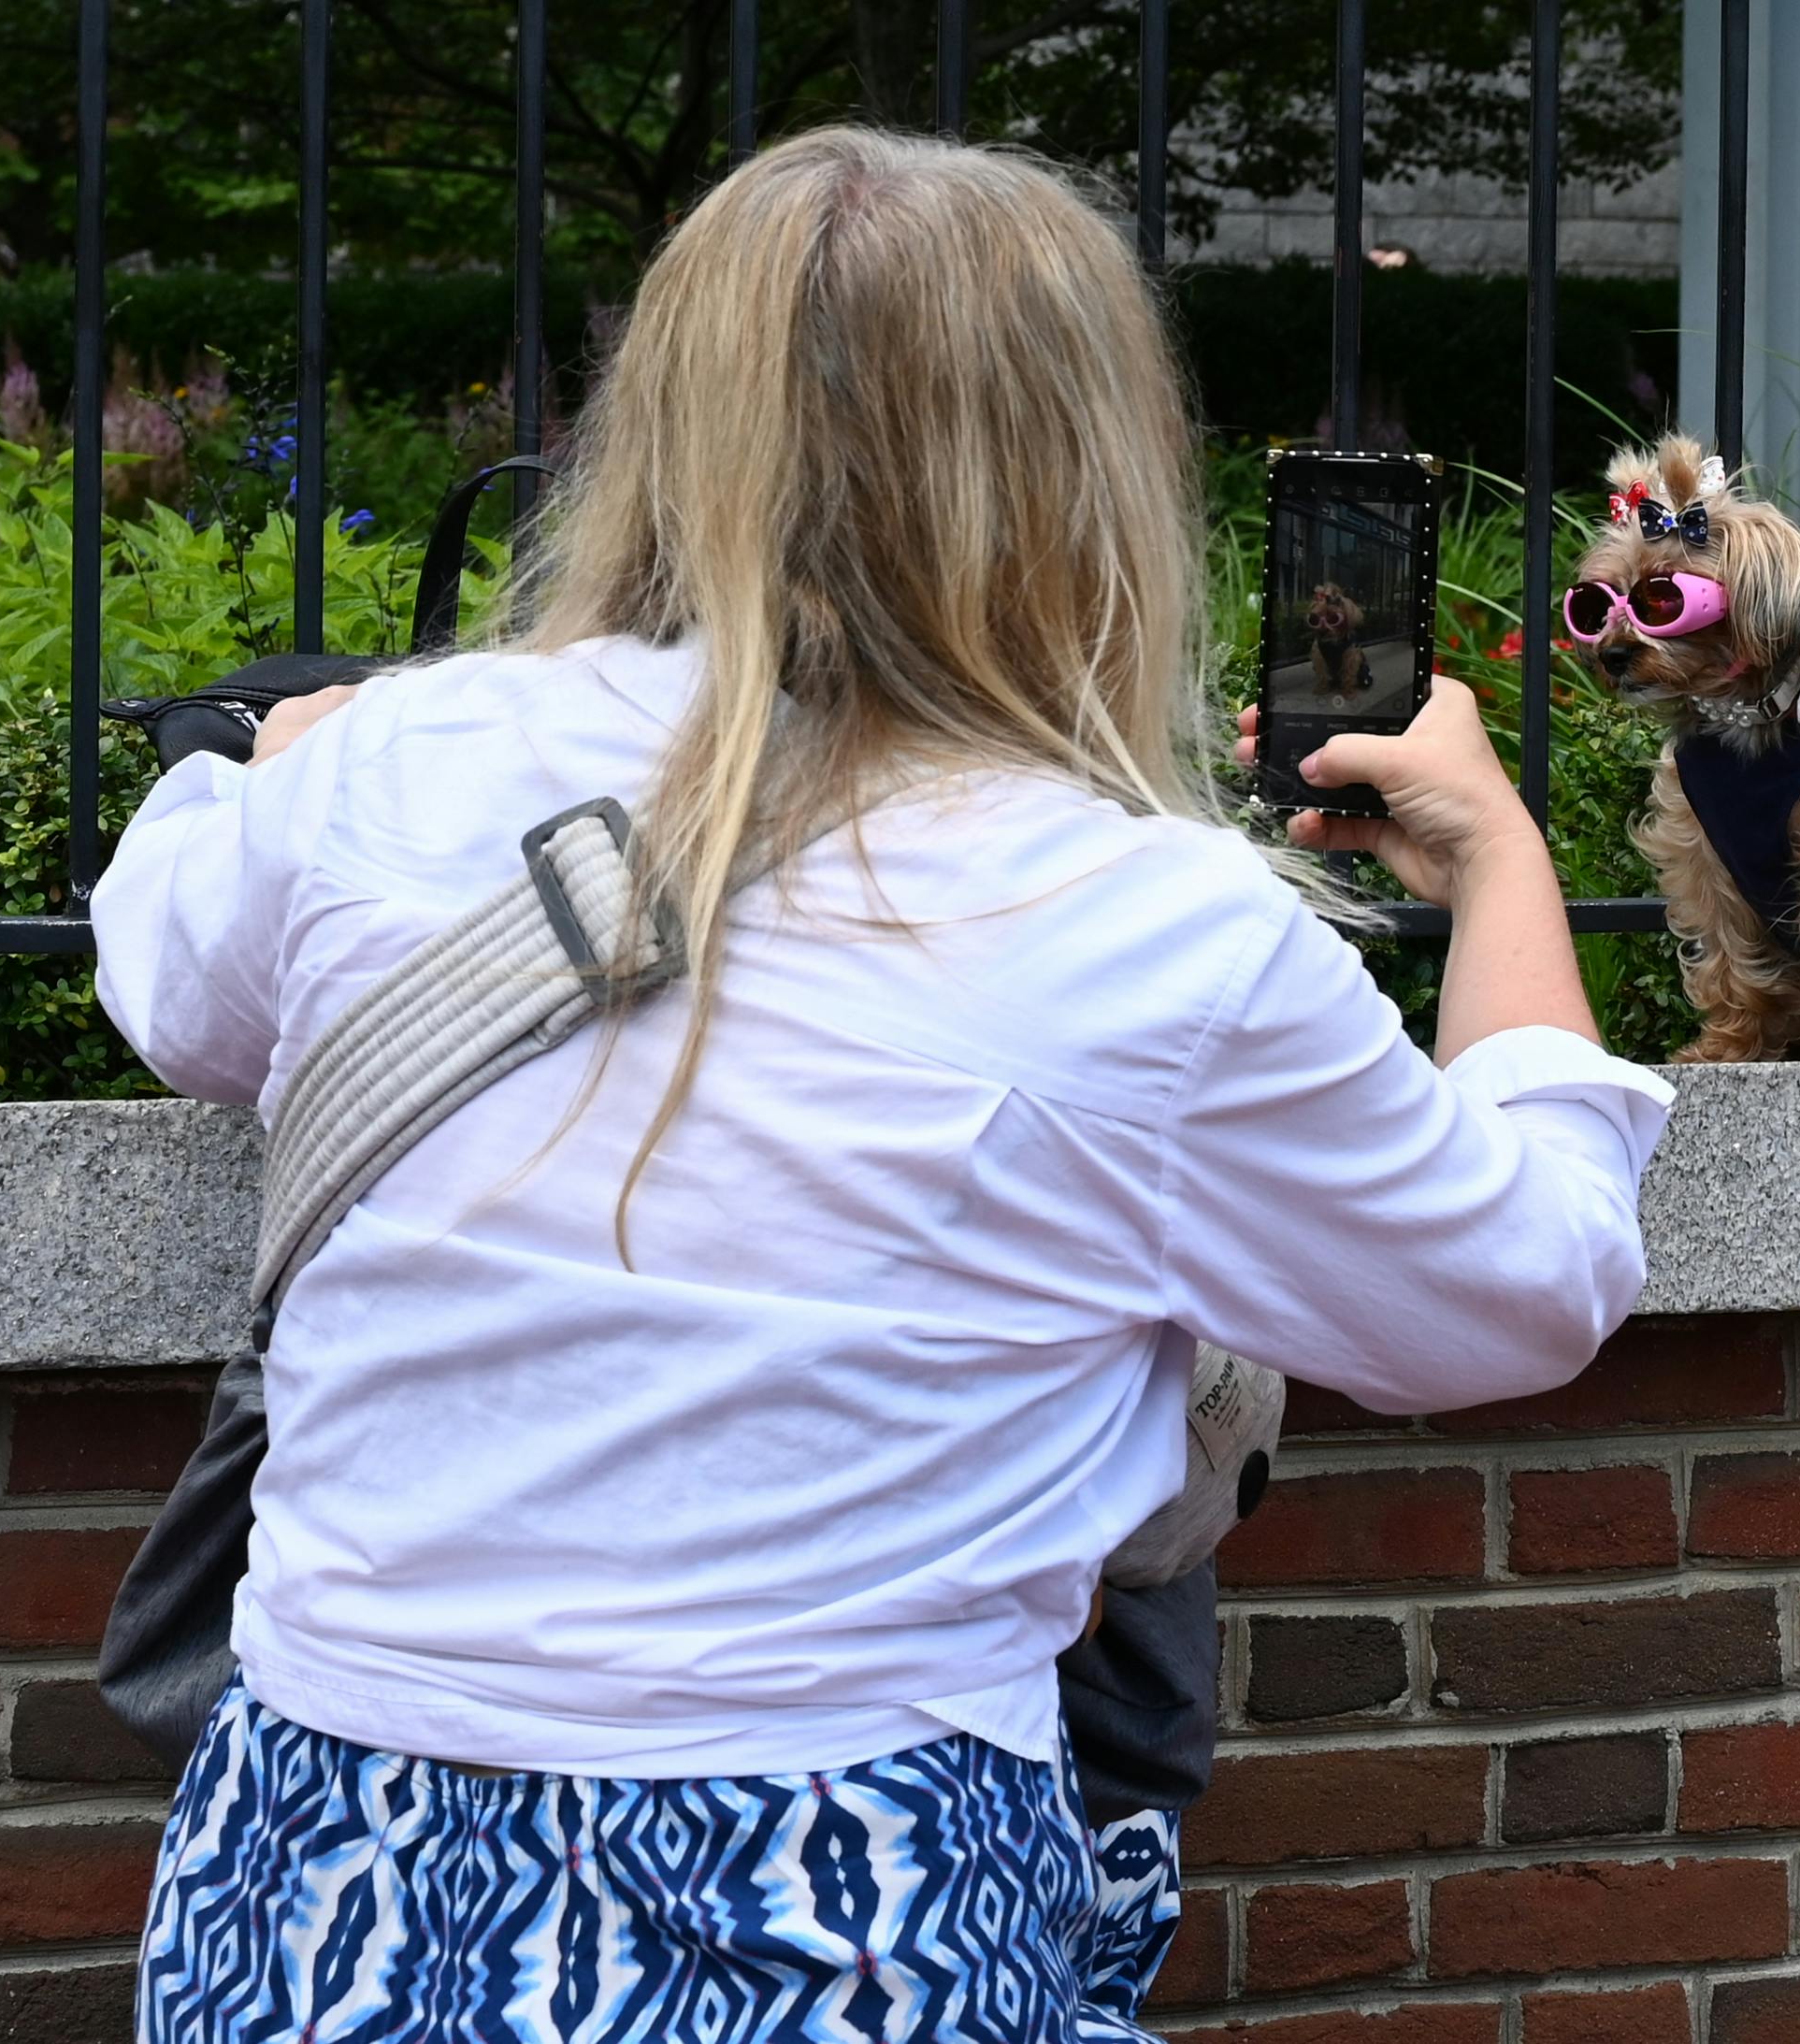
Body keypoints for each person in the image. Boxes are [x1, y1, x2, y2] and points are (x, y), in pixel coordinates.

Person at [94, 127, 1670, 2044]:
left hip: (309, 1897)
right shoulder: (1145, 926)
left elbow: (178, 991)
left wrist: (274, 763)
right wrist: (1496, 859)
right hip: (844, 1908)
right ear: (1083, 463)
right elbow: (1518, 1285)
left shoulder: (391, 769)